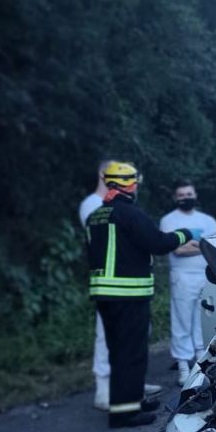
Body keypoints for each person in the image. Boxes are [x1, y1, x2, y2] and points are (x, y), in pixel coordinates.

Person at [86, 161, 194, 428]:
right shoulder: (130, 214)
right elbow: (158, 243)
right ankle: (124, 414)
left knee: (118, 352)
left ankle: (132, 400)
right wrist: (183, 234)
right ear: (130, 184)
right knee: (131, 353)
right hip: (127, 295)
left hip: (104, 295)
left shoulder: (96, 215)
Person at [79, 161, 161, 410]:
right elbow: (145, 242)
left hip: (116, 288)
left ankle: (129, 391)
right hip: (121, 289)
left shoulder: (106, 208)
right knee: (112, 343)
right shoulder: (98, 206)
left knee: (128, 346)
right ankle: (109, 393)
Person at [160, 180, 216, 384]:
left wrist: (191, 244)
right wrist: (200, 245)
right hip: (181, 277)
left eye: (189, 194)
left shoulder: (208, 220)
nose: (186, 198)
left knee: (202, 320)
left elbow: (211, 246)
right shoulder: (169, 221)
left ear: (195, 195)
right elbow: (177, 249)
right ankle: (183, 365)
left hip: (204, 275)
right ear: (176, 198)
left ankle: (200, 363)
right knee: (182, 320)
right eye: (182, 195)